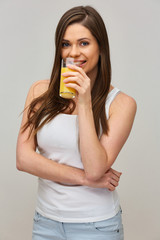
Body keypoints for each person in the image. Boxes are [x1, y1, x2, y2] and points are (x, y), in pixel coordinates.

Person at [16, 5, 137, 240]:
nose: (73, 53)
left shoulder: (122, 104)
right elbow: (23, 159)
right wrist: (83, 179)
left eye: (84, 43)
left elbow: (94, 169)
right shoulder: (39, 91)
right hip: (45, 222)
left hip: (97, 226)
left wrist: (84, 102)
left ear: (100, 47)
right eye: (65, 44)